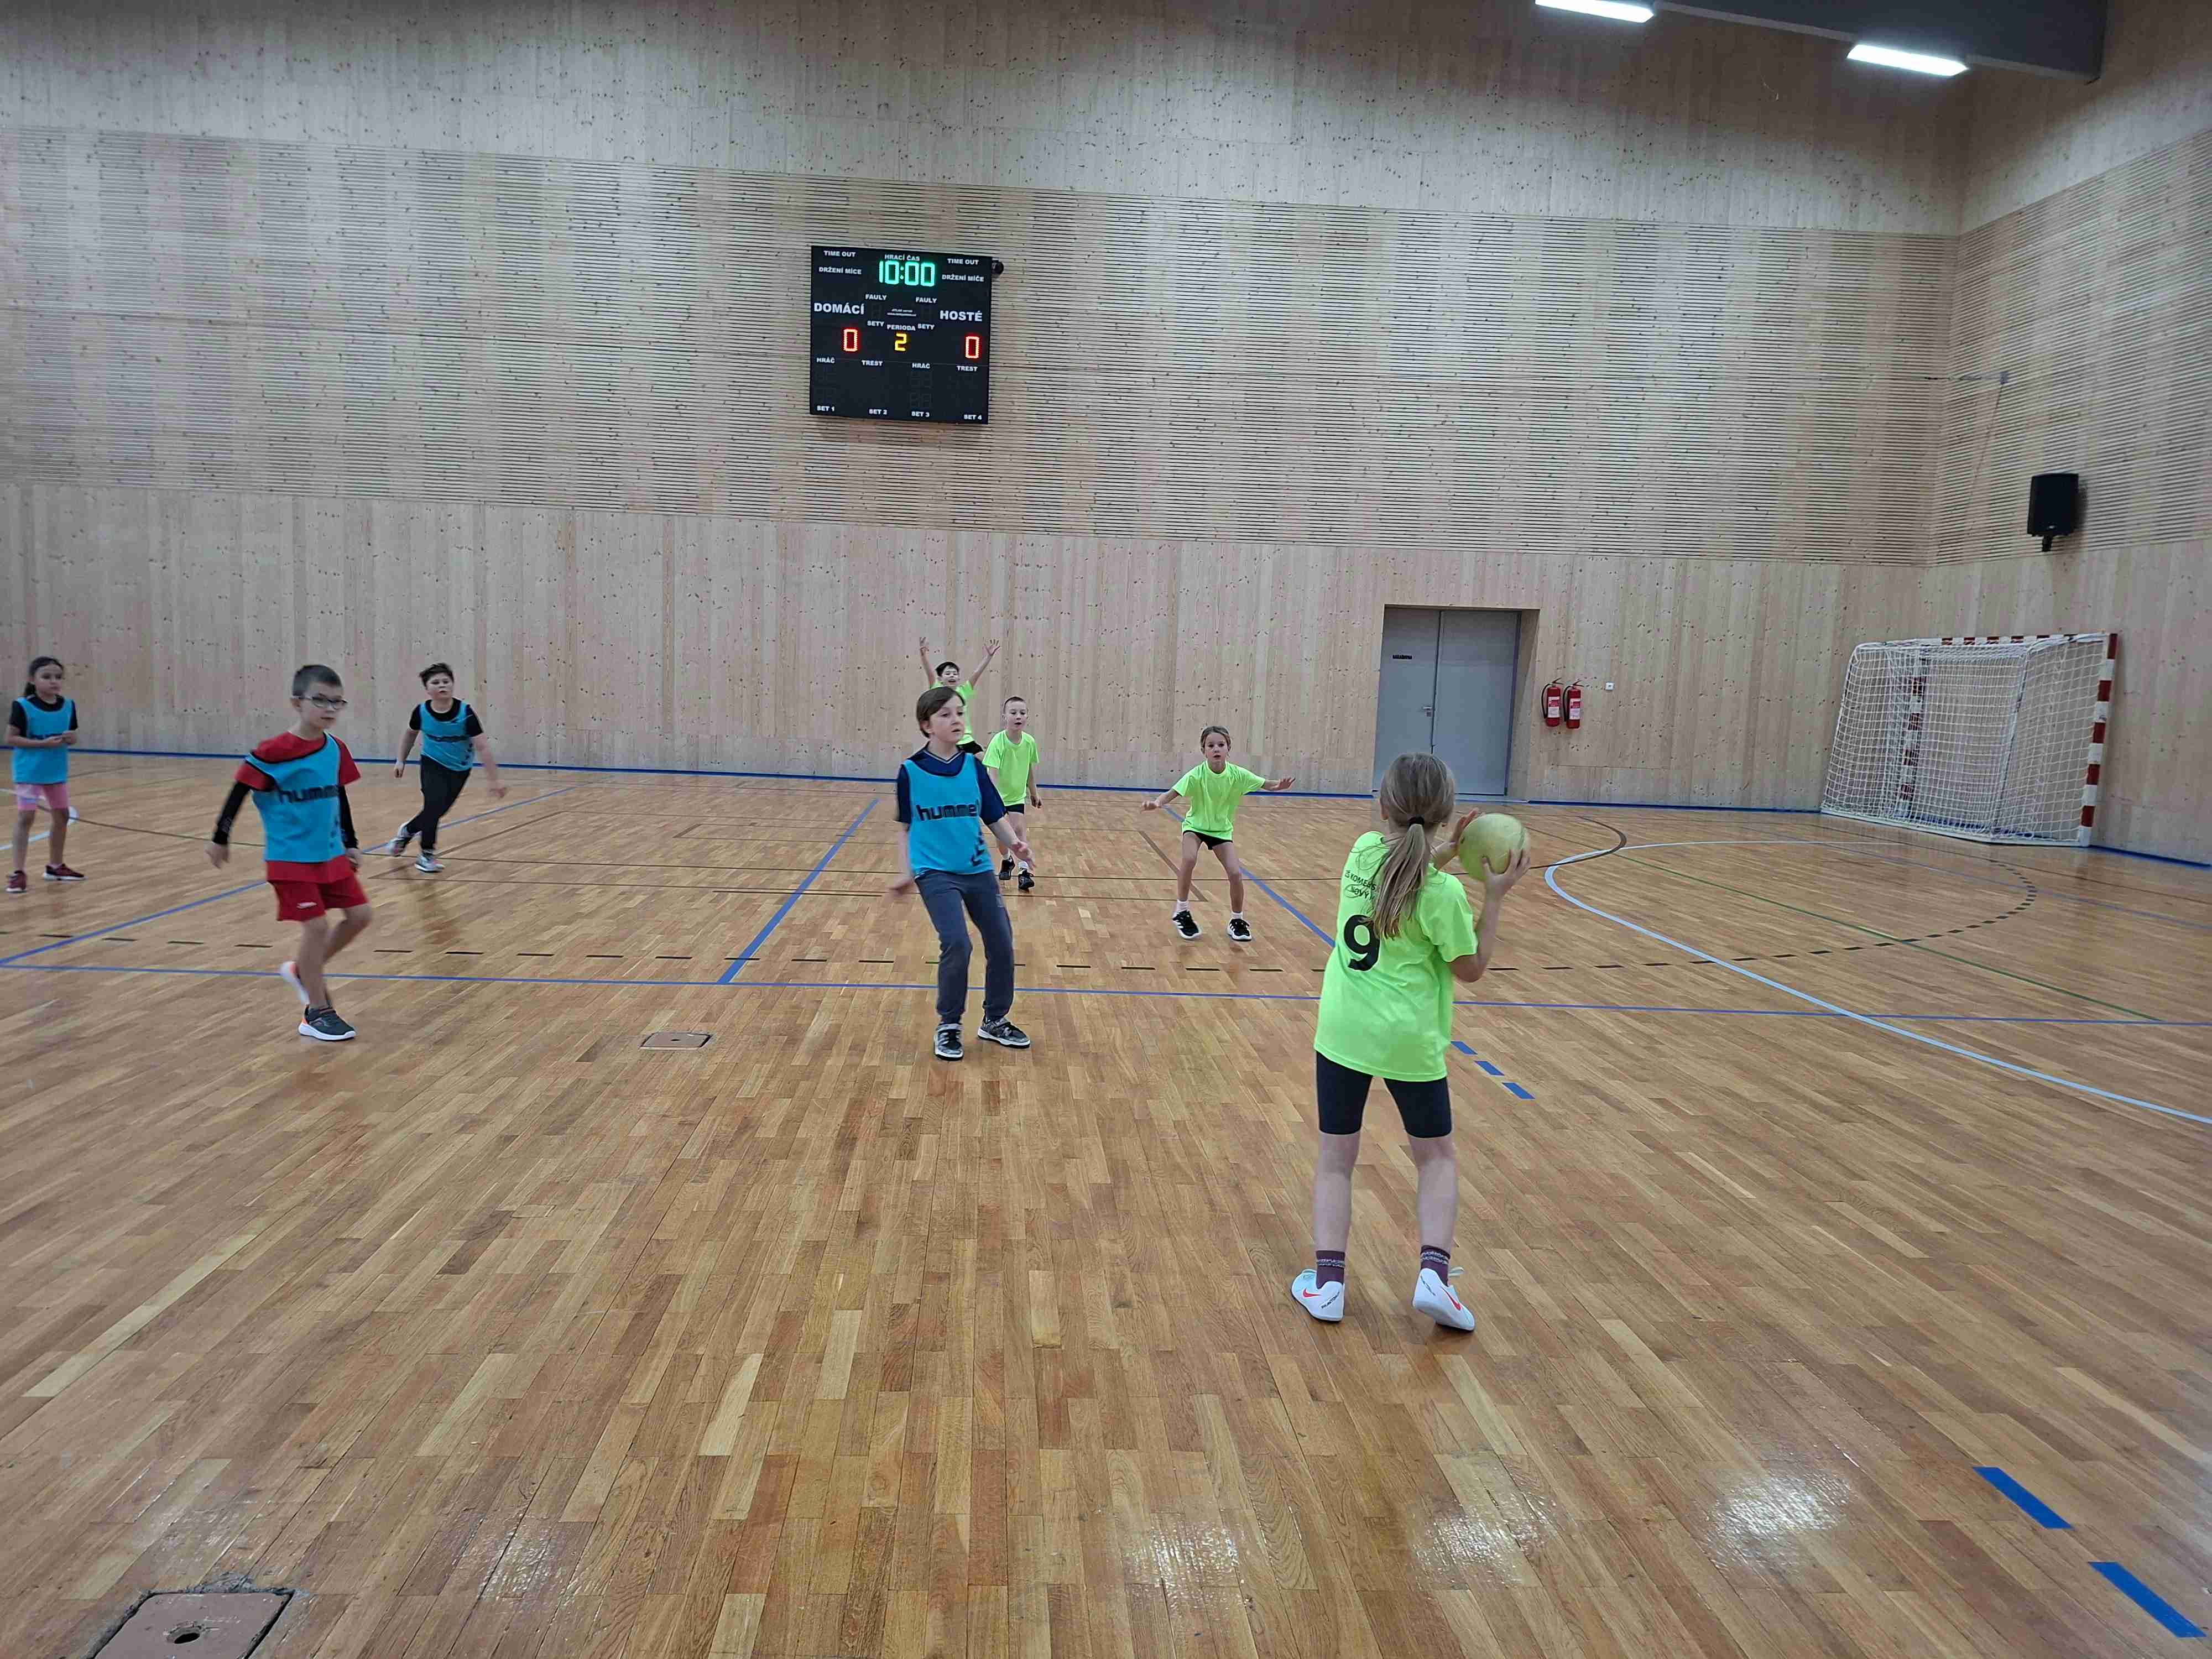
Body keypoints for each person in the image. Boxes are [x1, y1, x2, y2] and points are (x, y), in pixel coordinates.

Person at [1291, 753, 1528, 1330]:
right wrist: (1495, 896)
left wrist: (1445, 852)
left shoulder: (1360, 853)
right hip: (1409, 1041)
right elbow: (1471, 968)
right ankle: (1433, 1276)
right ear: (1447, 814)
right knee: (1435, 1157)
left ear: (1383, 806)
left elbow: (1402, 874)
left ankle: (1328, 1286)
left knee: (1336, 1160)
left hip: (1345, 1031)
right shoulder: (1444, 895)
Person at [208, 664, 372, 1042]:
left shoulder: (336, 749)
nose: (329, 709)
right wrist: (220, 837)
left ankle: (303, 970)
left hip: (330, 854)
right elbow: (240, 789)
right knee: (316, 927)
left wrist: (350, 842)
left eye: (337, 702)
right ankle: (317, 1013)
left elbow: (339, 795)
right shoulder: (273, 752)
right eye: (321, 700)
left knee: (360, 916)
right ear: (297, 703)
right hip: (290, 858)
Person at [887, 685, 1031, 1062]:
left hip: (977, 868)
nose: (956, 720)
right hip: (934, 872)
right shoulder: (910, 772)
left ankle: (995, 1020)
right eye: (946, 714)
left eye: (960, 713)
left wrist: (1015, 844)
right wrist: (905, 872)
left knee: (1002, 941)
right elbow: (905, 827)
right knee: (957, 942)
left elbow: (994, 815)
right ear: (927, 725)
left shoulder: (973, 767)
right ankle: (949, 1024)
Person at [1141, 724, 1292, 941]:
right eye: (1211, 745)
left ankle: (1237, 920)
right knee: (1189, 858)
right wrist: (1157, 803)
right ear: (1204, 750)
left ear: (1228, 748)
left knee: (1235, 873)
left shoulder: (1237, 775)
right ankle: (1181, 910)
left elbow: (1265, 784)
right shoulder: (1197, 775)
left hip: (1221, 831)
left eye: (1221, 745)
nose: (1216, 749)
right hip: (1195, 827)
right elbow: (1172, 793)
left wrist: (1279, 786)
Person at [385, 662, 506, 872]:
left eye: (446, 681)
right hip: (432, 764)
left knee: (438, 810)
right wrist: (400, 760)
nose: (442, 685)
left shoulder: (466, 714)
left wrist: (494, 780)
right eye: (436, 682)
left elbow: (483, 747)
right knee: (433, 806)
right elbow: (410, 735)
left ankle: (408, 831)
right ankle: (426, 855)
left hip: (459, 769)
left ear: (452, 684)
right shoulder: (421, 712)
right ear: (427, 689)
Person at [8, 655, 82, 894]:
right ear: (33, 679)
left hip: (56, 773)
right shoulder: (22, 705)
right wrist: (42, 744)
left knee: (62, 817)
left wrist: (72, 738)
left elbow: (72, 736)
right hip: (29, 773)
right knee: (26, 818)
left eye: (58, 677)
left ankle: (55, 867)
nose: (54, 681)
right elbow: (11, 739)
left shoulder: (68, 705)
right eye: (47, 677)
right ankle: (18, 873)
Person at [982, 695, 1043, 891]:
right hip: (998, 798)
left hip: (1017, 796)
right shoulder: (998, 742)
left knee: (1019, 829)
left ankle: (1024, 872)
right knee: (1003, 839)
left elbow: (1029, 769)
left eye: (1023, 713)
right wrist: (994, 799)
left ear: (1027, 717)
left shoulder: (1029, 742)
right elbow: (992, 773)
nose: (1018, 716)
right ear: (1005, 717)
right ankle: (1007, 860)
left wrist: (1034, 792)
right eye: (1013, 712)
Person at [916, 635, 1000, 753]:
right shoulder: (937, 690)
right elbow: (929, 672)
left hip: (965, 739)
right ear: (940, 679)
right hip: (946, 739)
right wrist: (923, 656)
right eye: (948, 674)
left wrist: (989, 657)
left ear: (959, 678)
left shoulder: (964, 690)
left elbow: (977, 673)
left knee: (982, 759)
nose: (952, 676)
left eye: (955, 674)